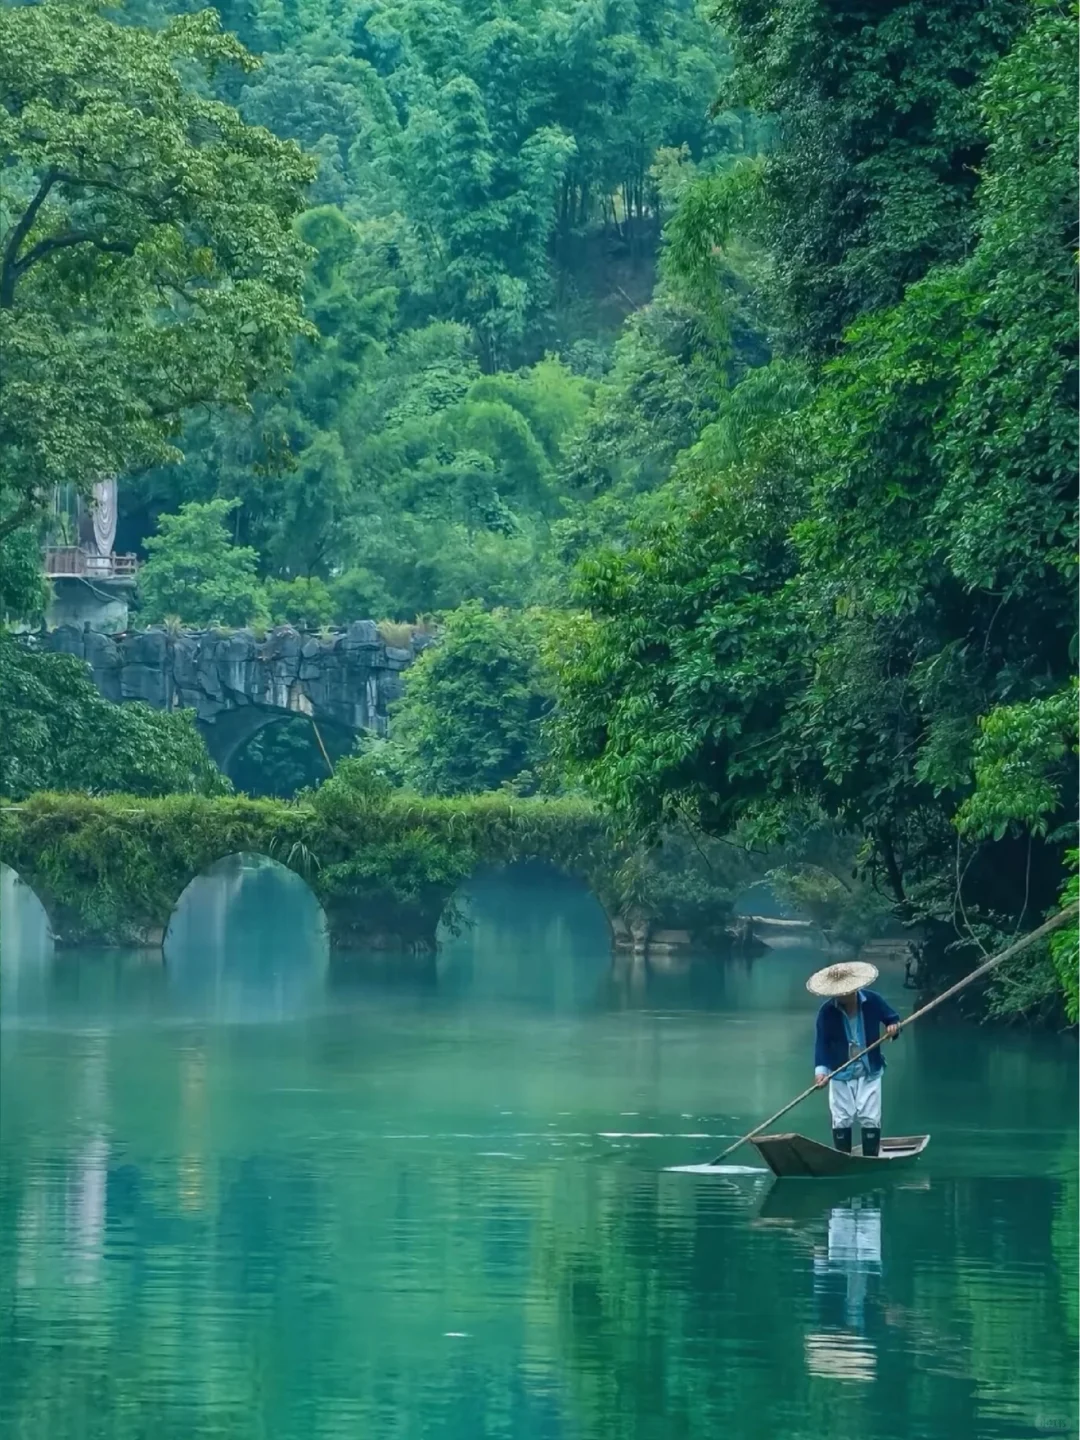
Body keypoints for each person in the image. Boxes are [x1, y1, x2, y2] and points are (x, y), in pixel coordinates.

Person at [807, 962, 900, 1157]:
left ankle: (870, 1158)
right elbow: (822, 1044)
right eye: (838, 993)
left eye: (846, 992)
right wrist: (821, 1072)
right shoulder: (826, 1012)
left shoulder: (873, 1001)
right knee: (841, 1117)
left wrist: (893, 1028)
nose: (842, 996)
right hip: (840, 1071)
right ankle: (843, 1158)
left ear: (855, 988)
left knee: (870, 1116)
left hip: (870, 1070)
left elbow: (892, 1018)